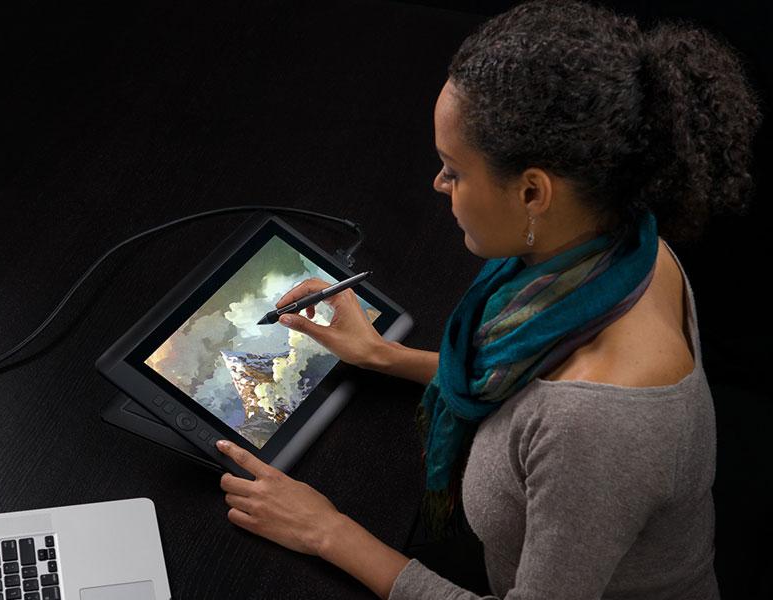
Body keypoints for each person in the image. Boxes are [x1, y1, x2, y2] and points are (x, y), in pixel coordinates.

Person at [215, 0, 763, 598]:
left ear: (532, 193)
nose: (438, 183)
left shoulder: (592, 425)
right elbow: (526, 390)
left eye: (453, 170)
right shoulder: (632, 250)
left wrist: (329, 532)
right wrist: (382, 356)